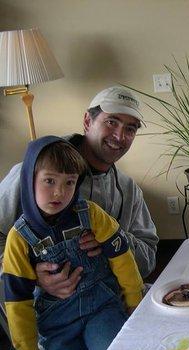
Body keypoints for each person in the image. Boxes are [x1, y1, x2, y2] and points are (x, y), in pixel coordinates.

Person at [3, 136, 144, 350]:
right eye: (49, 181)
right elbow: (17, 300)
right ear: (29, 180)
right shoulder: (18, 238)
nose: (59, 192)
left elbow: (122, 257)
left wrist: (134, 300)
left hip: (102, 308)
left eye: (69, 182)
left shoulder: (91, 214)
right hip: (58, 325)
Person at [0, 86, 158, 297]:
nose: (120, 136)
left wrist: (114, 239)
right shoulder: (31, 174)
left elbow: (148, 260)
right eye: (111, 122)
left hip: (111, 303)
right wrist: (32, 276)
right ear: (87, 121)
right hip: (48, 312)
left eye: (130, 129)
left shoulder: (129, 191)